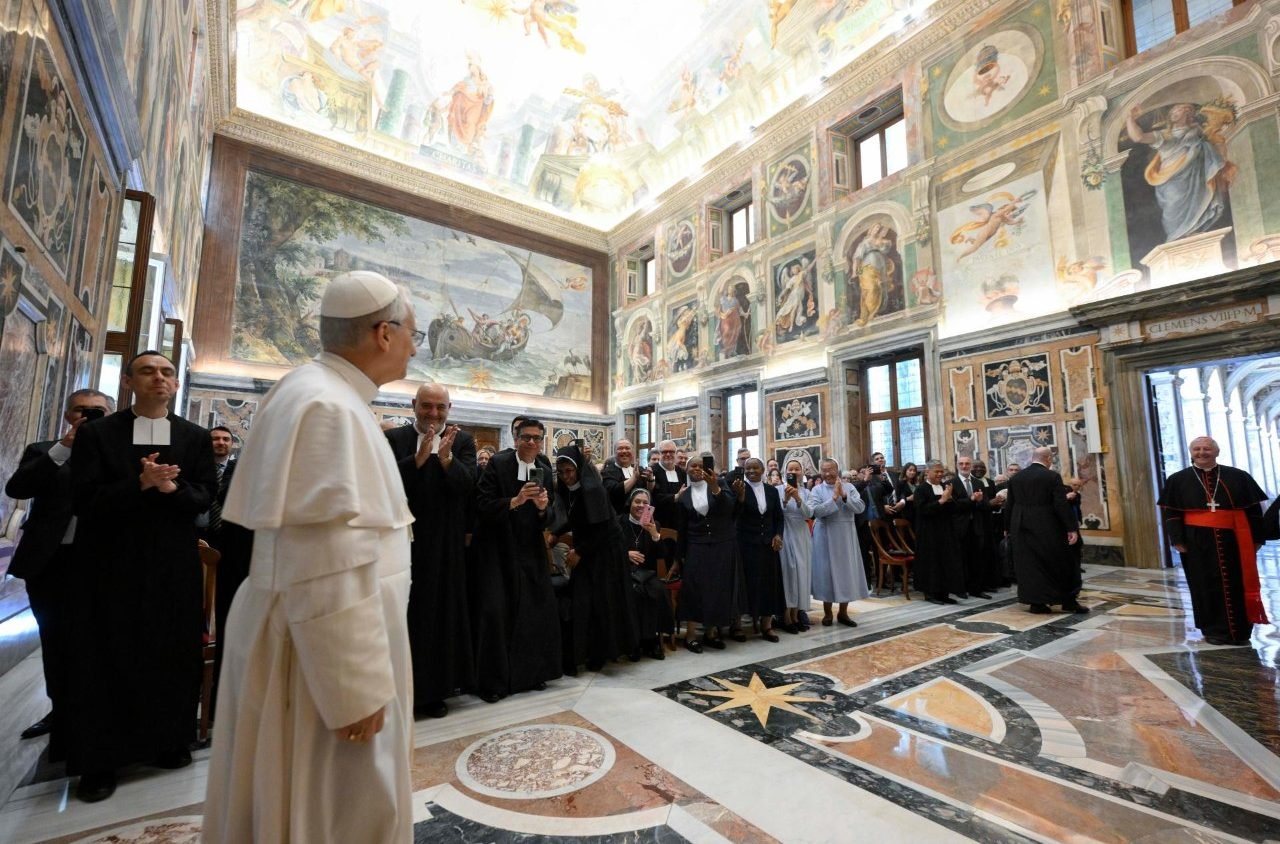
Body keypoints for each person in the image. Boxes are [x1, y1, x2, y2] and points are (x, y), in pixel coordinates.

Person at [204, 272, 419, 842]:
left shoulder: (322, 393)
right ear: (383, 333)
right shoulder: (329, 407)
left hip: (315, 640)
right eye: (413, 334)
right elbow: (326, 558)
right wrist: (353, 690)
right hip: (318, 659)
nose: (415, 348)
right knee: (330, 809)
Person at [68, 353, 217, 803]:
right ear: (128, 381)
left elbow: (204, 497)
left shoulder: (193, 437)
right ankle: (100, 760)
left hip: (172, 565)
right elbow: (83, 499)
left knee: (170, 650)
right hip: (110, 564)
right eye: (149, 371)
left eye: (167, 372)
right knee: (105, 655)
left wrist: (171, 488)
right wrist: (139, 484)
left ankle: (167, 740)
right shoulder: (97, 434)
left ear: (176, 384)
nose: (159, 378)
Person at [5, 389, 113, 753]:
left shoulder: (118, 454)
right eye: (81, 410)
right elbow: (18, 488)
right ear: (68, 415)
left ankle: (95, 713)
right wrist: (65, 447)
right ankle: (60, 711)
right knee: (54, 639)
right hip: (50, 561)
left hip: (102, 562)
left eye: (98, 412)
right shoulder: (44, 450)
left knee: (97, 639)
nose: (88, 416)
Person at [384, 383, 476, 719]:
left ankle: (435, 691)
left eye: (440, 407)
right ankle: (398, 690)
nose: (433, 414)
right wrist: (418, 460)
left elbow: (469, 485)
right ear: (414, 405)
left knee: (441, 614)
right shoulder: (394, 439)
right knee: (404, 614)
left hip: (446, 545)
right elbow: (382, 484)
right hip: (403, 542)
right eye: (427, 406)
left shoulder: (462, 441)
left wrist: (447, 460)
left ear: (449, 408)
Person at [471, 418, 562, 701]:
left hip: (530, 549)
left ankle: (531, 674)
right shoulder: (498, 464)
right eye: (526, 437)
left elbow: (550, 516)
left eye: (536, 438)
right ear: (516, 439)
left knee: (533, 610)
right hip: (497, 549)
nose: (531, 442)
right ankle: (493, 682)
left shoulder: (544, 468)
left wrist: (542, 508)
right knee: (496, 612)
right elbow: (482, 505)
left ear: (542, 441)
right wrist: (515, 501)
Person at [1159, 436, 1268, 645]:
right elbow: (1172, 513)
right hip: (1196, 541)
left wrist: (1257, 538)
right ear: (1191, 452)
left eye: (1207, 449)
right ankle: (1213, 631)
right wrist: (1177, 539)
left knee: (1238, 582)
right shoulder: (1177, 479)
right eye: (1197, 449)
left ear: (1216, 452)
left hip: (1234, 539)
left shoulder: (1238, 476)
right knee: (1203, 584)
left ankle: (1240, 631)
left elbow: (1254, 512)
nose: (1202, 453)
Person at [549, 444, 638, 671]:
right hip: (588, 549)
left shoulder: (593, 490)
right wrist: (556, 533)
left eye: (570, 471)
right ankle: (582, 653)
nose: (566, 476)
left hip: (606, 552)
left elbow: (603, 528)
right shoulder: (566, 490)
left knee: (602, 602)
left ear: (579, 469)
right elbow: (575, 517)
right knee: (583, 601)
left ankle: (601, 654)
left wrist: (579, 551)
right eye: (561, 472)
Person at [203, 426, 254, 722]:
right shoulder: (195, 469)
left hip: (234, 554)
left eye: (225, 439)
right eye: (215, 439)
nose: (220, 443)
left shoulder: (239, 471)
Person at [675, 455, 744, 652]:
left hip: (722, 544)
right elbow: (682, 529)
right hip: (696, 546)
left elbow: (730, 509)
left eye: (700, 465)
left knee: (717, 589)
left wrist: (714, 488)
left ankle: (711, 633)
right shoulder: (684, 496)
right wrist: (678, 558)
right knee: (693, 589)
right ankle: (690, 635)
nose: (697, 469)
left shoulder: (720, 484)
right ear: (686, 470)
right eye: (692, 466)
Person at [1007, 447, 1082, 615]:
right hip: (1047, 526)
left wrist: (1007, 528)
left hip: (1020, 526)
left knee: (1029, 566)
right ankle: (1067, 600)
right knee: (1060, 561)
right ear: (1048, 459)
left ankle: (1036, 603)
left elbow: (1010, 504)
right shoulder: (1052, 476)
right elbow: (1060, 504)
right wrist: (1071, 527)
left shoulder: (1017, 477)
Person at [732, 458, 785, 642]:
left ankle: (766, 626)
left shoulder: (771, 491)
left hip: (768, 545)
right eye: (748, 468)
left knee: (769, 584)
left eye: (755, 468)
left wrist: (778, 534)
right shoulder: (739, 488)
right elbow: (733, 515)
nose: (751, 471)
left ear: (763, 470)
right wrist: (739, 497)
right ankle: (737, 626)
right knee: (744, 584)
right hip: (745, 544)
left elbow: (778, 517)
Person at [810, 458, 867, 626]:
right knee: (825, 573)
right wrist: (833, 499)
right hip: (825, 535)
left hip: (845, 535)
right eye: (824, 470)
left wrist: (844, 496)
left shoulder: (849, 487)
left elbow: (860, 507)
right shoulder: (817, 490)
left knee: (845, 573)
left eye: (831, 469)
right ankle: (827, 613)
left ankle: (843, 612)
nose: (828, 473)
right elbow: (815, 512)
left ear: (837, 470)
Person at [617, 488, 673, 659]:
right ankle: (634, 642)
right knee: (634, 593)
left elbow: (662, 555)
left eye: (645, 503)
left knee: (658, 590)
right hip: (623, 572)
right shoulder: (619, 522)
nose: (641, 505)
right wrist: (625, 554)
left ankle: (651, 640)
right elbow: (608, 549)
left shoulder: (654, 525)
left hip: (646, 574)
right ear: (630, 503)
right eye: (637, 502)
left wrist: (654, 534)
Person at [914, 460, 966, 604]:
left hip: (945, 531)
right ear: (927, 472)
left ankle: (944, 593)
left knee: (946, 561)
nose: (939, 474)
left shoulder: (945, 487)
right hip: (929, 532)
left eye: (941, 471)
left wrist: (950, 500)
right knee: (932, 562)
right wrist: (941, 500)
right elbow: (922, 510)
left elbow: (954, 509)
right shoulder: (921, 489)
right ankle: (930, 593)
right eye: (936, 471)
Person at [776, 458, 814, 633]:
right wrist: (785, 499)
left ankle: (797, 613)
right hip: (785, 532)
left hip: (801, 533)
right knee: (788, 572)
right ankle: (786, 616)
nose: (793, 472)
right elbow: (776, 513)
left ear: (802, 472)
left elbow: (809, 514)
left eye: (796, 469)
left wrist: (798, 498)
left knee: (801, 573)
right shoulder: (777, 490)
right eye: (790, 469)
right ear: (785, 472)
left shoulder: (806, 492)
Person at [949, 456, 992, 600]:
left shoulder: (978, 483)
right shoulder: (951, 483)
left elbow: (986, 505)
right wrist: (971, 499)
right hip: (959, 527)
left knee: (977, 558)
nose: (964, 466)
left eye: (967, 464)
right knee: (960, 559)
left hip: (976, 526)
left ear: (971, 466)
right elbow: (953, 506)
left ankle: (976, 589)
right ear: (957, 465)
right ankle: (960, 588)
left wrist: (979, 501)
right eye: (961, 464)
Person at [601, 438, 652, 514]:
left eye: (627, 448)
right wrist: (634, 478)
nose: (624, 451)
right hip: (618, 515)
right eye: (620, 448)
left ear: (633, 452)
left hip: (640, 515)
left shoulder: (640, 469)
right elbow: (615, 491)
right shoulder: (607, 472)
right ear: (614, 453)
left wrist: (650, 479)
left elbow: (649, 491)